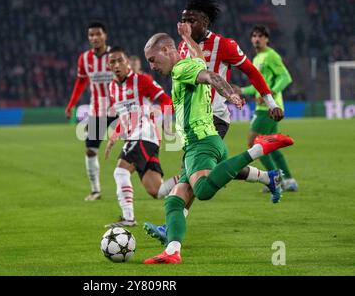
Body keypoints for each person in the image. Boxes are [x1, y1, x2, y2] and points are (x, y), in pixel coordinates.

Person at [142, 27, 294, 264]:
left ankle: (260, 148)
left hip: (200, 143)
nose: (152, 66)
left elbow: (212, 77)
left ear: (165, 50)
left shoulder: (181, 68)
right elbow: (204, 65)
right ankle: (172, 251)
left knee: (202, 190)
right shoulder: (190, 63)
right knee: (175, 199)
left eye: (153, 59)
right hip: (205, 141)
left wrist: (230, 95)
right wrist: (188, 38)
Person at [104, 46, 178, 228]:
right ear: (108, 65)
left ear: (127, 62)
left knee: (120, 171)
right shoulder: (112, 87)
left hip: (144, 133)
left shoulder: (141, 80)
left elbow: (167, 101)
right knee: (157, 190)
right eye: (112, 62)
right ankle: (191, 176)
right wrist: (114, 136)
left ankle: (128, 217)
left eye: (120, 60)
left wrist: (162, 116)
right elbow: (125, 115)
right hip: (137, 137)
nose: (116, 65)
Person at [237, 25, 298, 192]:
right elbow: (257, 87)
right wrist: (241, 90)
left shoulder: (271, 56)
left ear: (267, 39)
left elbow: (286, 77)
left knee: (253, 142)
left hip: (269, 108)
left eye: (261, 36)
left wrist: (271, 92)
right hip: (263, 107)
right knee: (272, 145)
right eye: (254, 36)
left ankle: (275, 179)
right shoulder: (257, 59)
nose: (257, 38)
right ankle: (289, 180)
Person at [65, 22, 117, 201]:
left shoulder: (115, 56)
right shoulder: (84, 58)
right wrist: (71, 104)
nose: (94, 38)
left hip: (119, 109)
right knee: (90, 151)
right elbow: (81, 82)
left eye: (98, 34)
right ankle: (95, 190)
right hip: (98, 111)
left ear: (105, 35)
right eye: (91, 35)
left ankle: (151, 182)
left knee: (135, 146)